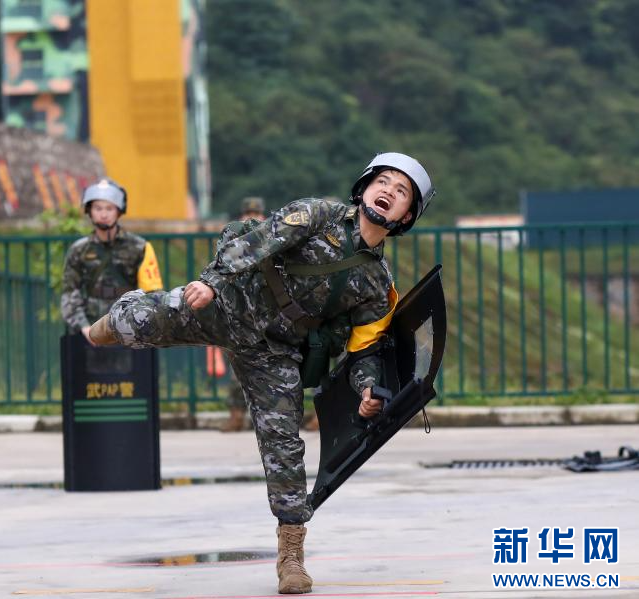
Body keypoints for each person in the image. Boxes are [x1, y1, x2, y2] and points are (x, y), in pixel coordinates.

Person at [88, 153, 435, 594]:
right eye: (383, 181)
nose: (388, 192)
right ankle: (119, 316)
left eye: (401, 192)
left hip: (275, 353)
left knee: (285, 448)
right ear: (364, 187)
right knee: (134, 323)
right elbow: (255, 242)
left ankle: (291, 556)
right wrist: (212, 281)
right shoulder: (317, 214)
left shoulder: (377, 286)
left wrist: (368, 388)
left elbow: (364, 349)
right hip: (228, 304)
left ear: (406, 216)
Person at [60, 178, 162, 343]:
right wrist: (85, 328)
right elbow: (70, 294)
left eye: (109, 208)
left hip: (131, 330)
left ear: (119, 211)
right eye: (98, 208)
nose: (104, 214)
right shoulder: (79, 250)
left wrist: (139, 324)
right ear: (89, 211)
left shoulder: (140, 247)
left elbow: (152, 294)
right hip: (89, 331)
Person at [220, 196, 267, 432]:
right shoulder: (232, 243)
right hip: (241, 313)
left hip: (266, 314)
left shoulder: (273, 239)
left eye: (256, 215)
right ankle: (236, 416)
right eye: (248, 214)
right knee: (237, 365)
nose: (252, 219)